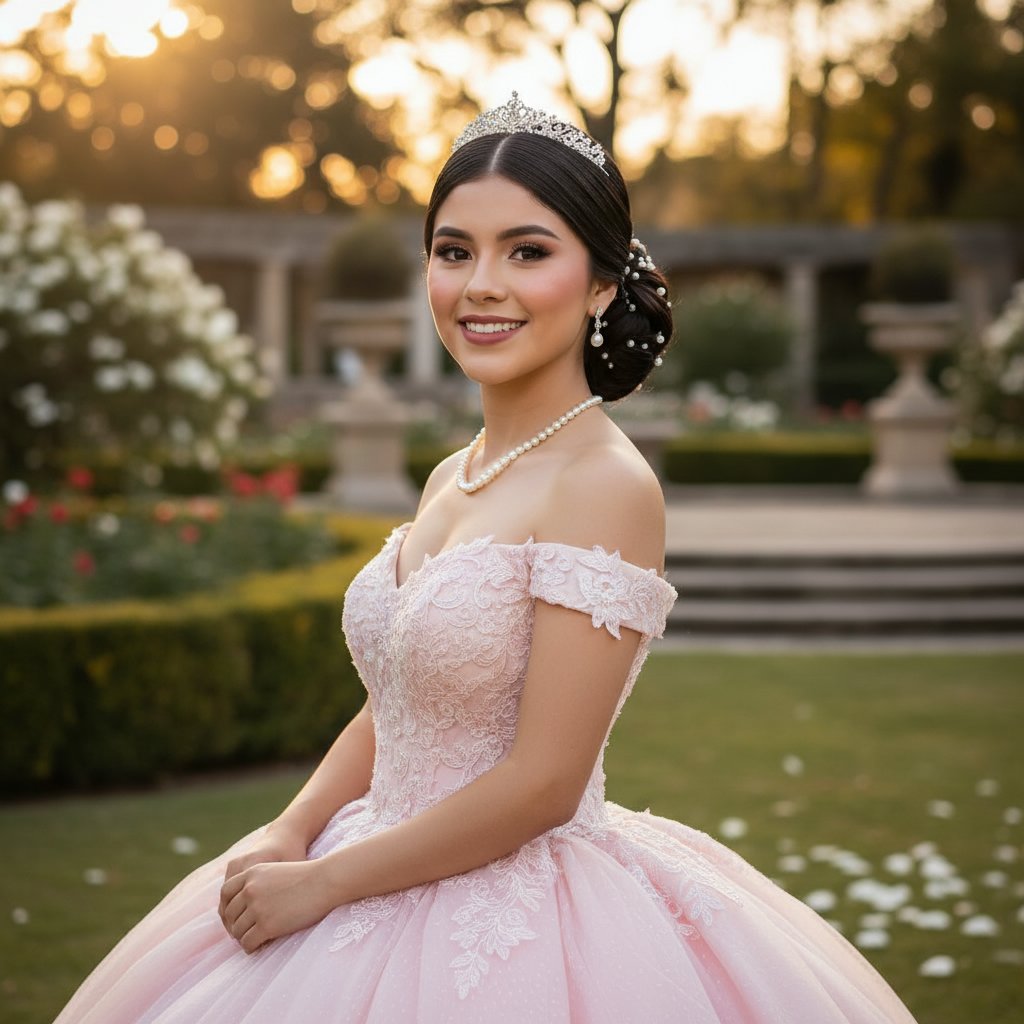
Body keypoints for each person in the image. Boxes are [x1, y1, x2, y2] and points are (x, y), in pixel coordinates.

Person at [56, 93, 918, 1024]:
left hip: (516, 917)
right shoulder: (449, 476)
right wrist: (292, 828)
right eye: (454, 250)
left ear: (600, 283)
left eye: (529, 251)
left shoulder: (606, 484)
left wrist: (329, 883)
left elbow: (544, 781)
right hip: (360, 852)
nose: (481, 286)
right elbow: (401, 702)